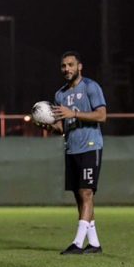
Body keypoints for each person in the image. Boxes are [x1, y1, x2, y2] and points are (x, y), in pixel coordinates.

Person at [42, 51, 107, 255]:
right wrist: (47, 125)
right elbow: (62, 127)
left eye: (71, 65)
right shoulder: (60, 94)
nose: (67, 69)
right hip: (71, 148)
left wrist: (74, 113)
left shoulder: (90, 86)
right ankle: (94, 243)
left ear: (80, 66)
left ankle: (77, 243)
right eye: (63, 66)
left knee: (86, 192)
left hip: (90, 145)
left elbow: (102, 115)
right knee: (80, 196)